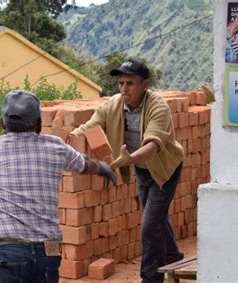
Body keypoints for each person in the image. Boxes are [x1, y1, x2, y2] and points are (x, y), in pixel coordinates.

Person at [0, 90, 116, 282]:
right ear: (39, 124)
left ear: (3, 123)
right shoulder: (56, 147)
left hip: (4, 255)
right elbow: (84, 165)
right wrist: (102, 167)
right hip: (47, 254)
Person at [70, 58, 184, 283]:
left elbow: (153, 144)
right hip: (142, 170)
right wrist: (70, 139)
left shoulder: (158, 107)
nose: (124, 89)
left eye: (130, 83)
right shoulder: (113, 105)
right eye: (121, 83)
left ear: (145, 85)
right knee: (155, 217)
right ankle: (172, 253)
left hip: (165, 169)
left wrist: (129, 158)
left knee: (150, 227)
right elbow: (89, 127)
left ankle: (151, 278)